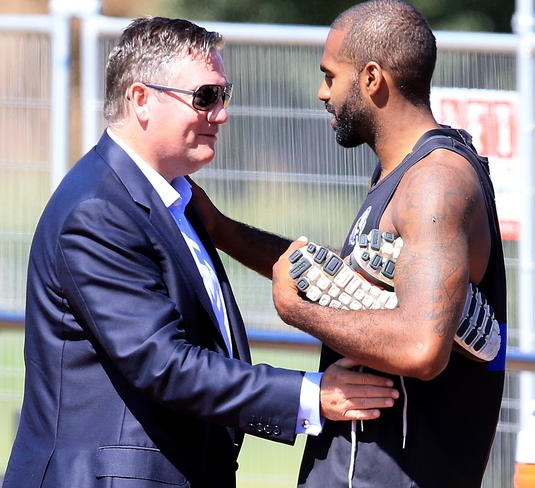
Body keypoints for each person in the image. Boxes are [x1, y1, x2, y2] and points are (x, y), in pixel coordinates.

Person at [1, 16, 401, 488]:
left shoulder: (177, 200)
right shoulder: (96, 211)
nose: (221, 114)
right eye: (205, 97)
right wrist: (312, 395)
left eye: (223, 96)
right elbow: (162, 362)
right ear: (141, 100)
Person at [190, 1, 507, 486]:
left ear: (373, 78)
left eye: (330, 75)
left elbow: (422, 347)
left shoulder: (436, 184)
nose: (322, 92)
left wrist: (298, 313)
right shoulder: (398, 174)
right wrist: (223, 231)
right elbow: (350, 282)